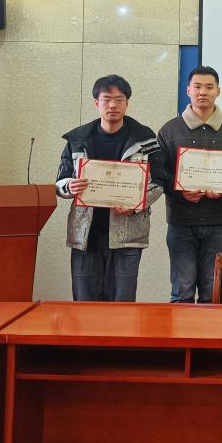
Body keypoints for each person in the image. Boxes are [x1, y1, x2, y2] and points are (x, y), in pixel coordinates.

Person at [55, 74, 164, 302]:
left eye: (119, 99)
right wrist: (69, 186)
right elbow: (61, 181)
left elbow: (159, 181)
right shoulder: (77, 140)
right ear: (96, 102)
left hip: (127, 233)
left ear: (127, 103)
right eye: (106, 99)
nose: (113, 105)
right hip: (86, 234)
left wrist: (135, 204)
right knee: (84, 302)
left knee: (122, 302)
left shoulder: (145, 140)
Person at [156, 66, 222, 303]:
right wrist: (180, 193)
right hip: (180, 222)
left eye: (209, 87)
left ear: (218, 91)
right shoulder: (169, 130)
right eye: (197, 86)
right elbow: (160, 173)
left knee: (212, 291)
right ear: (188, 90)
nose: (203, 92)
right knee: (182, 291)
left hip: (218, 222)